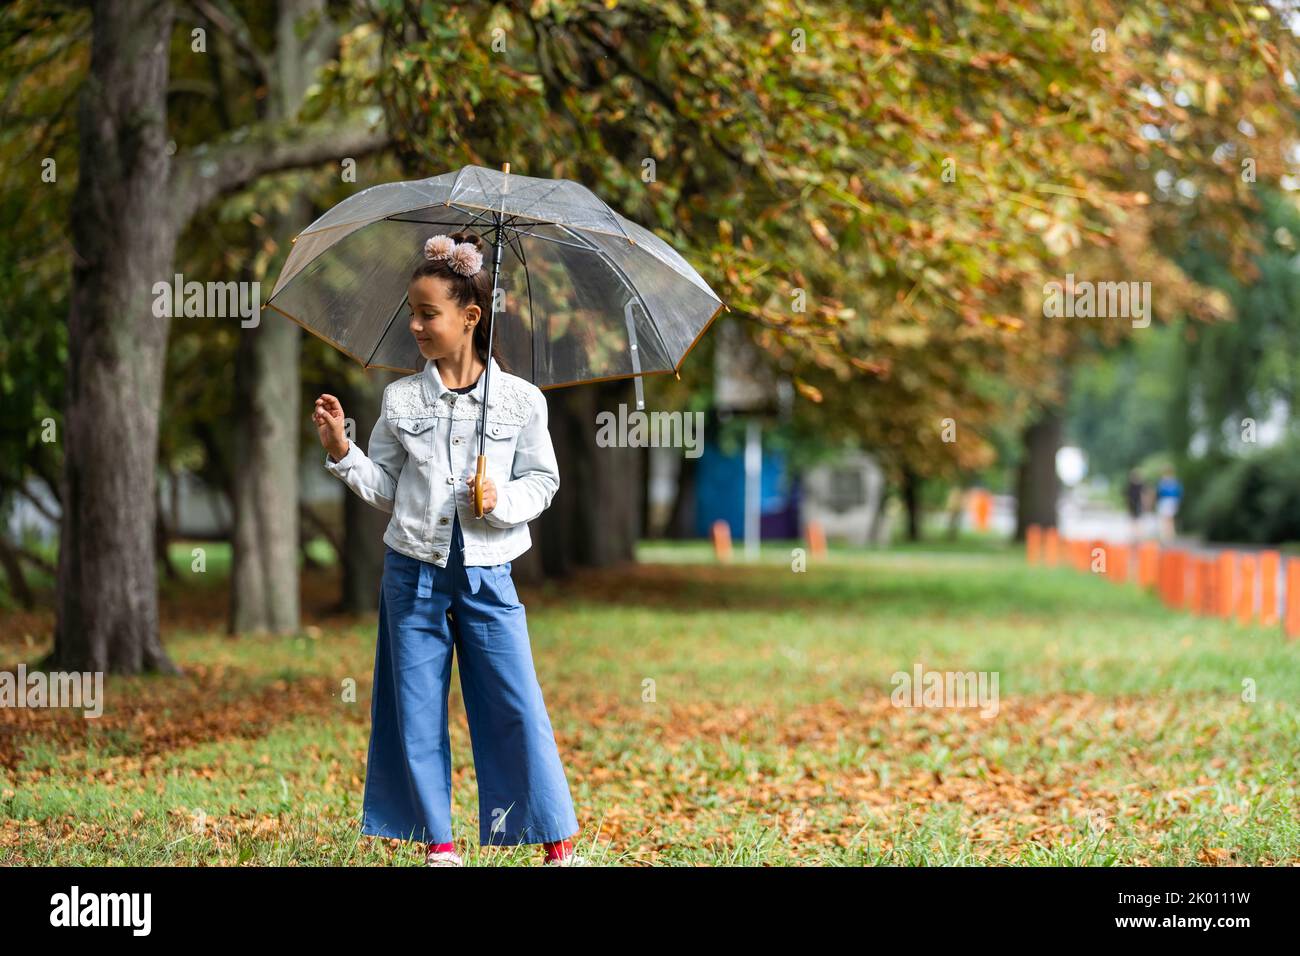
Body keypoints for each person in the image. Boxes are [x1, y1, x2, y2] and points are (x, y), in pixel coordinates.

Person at [312, 231, 582, 867]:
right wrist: (340, 453)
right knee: (415, 709)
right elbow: (387, 488)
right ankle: (439, 845)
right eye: (412, 312)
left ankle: (555, 843)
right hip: (413, 575)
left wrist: (500, 500)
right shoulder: (402, 399)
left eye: (428, 313)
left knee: (515, 703)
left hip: (489, 576)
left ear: (470, 316)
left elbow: (544, 481)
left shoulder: (521, 402)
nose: (415, 325)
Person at [1154, 467, 1183, 543]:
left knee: (1168, 519)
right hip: (1169, 501)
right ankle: (1168, 535)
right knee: (1168, 519)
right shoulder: (1173, 482)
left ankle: (1169, 535)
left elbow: (1159, 493)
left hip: (1168, 501)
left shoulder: (1166, 482)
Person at [1125, 468, 1146, 540]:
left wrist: (1144, 504)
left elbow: (1142, 495)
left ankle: (1138, 534)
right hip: (1133, 504)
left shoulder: (1139, 485)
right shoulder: (1130, 485)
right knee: (1134, 520)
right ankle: (1135, 534)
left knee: (1137, 520)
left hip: (1137, 504)